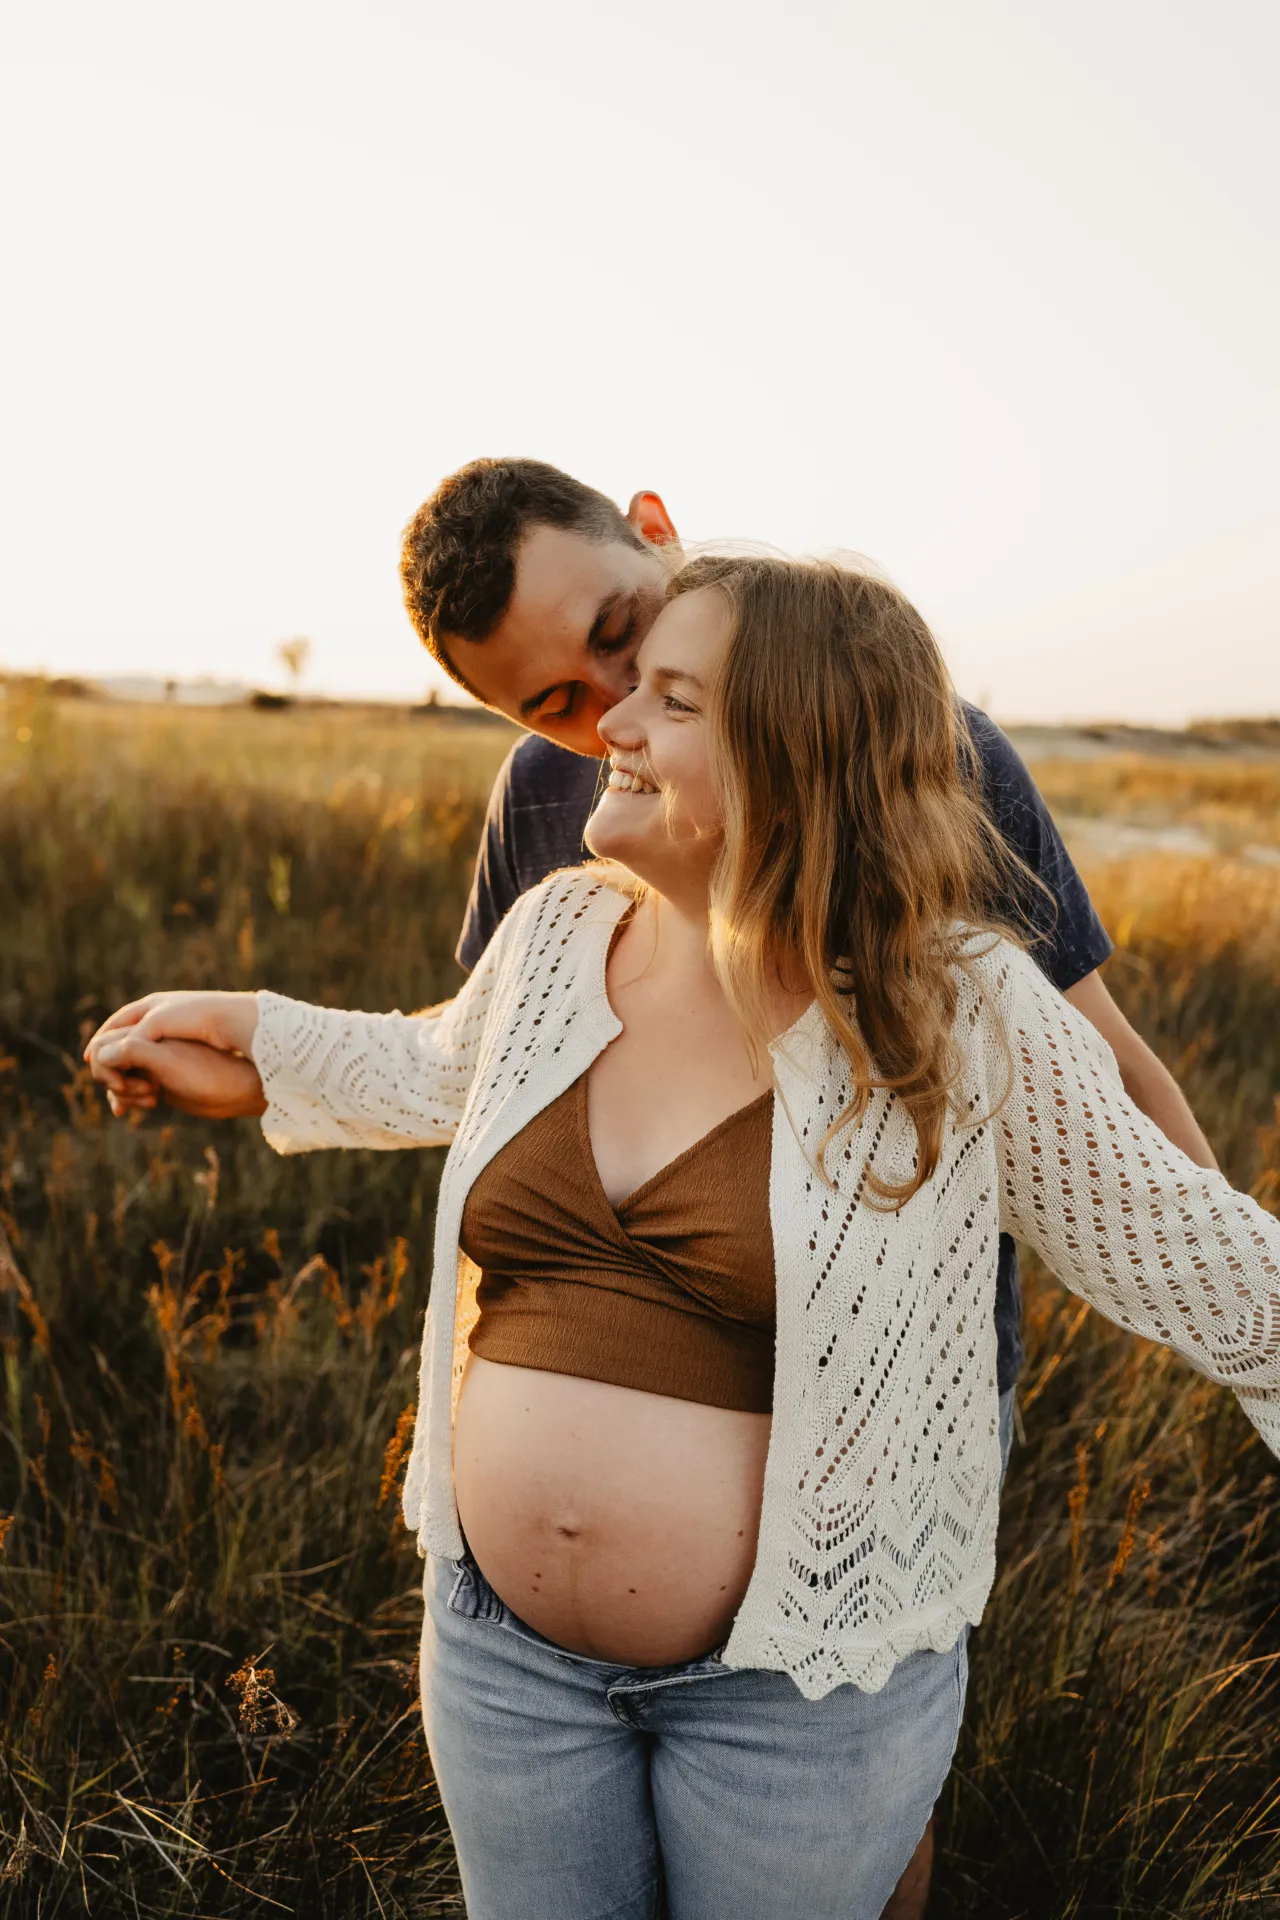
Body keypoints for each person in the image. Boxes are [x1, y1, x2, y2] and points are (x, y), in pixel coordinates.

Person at [87, 553, 1280, 1920]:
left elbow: (1226, 1278)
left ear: (799, 751)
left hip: (798, 1697)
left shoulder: (957, 1008)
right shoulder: (556, 932)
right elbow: (438, 1069)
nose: (612, 726)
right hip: (501, 1660)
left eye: (670, 701)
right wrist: (254, 1038)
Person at [399, 457, 1219, 1918]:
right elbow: (490, 1075)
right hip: (533, 1605)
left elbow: (1106, 1068)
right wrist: (262, 1044)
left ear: (653, 530)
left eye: (615, 639)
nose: (605, 718)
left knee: (864, 1781)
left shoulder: (918, 750)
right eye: (551, 705)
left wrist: (1208, 1263)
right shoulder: (559, 800)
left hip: (874, 1365)